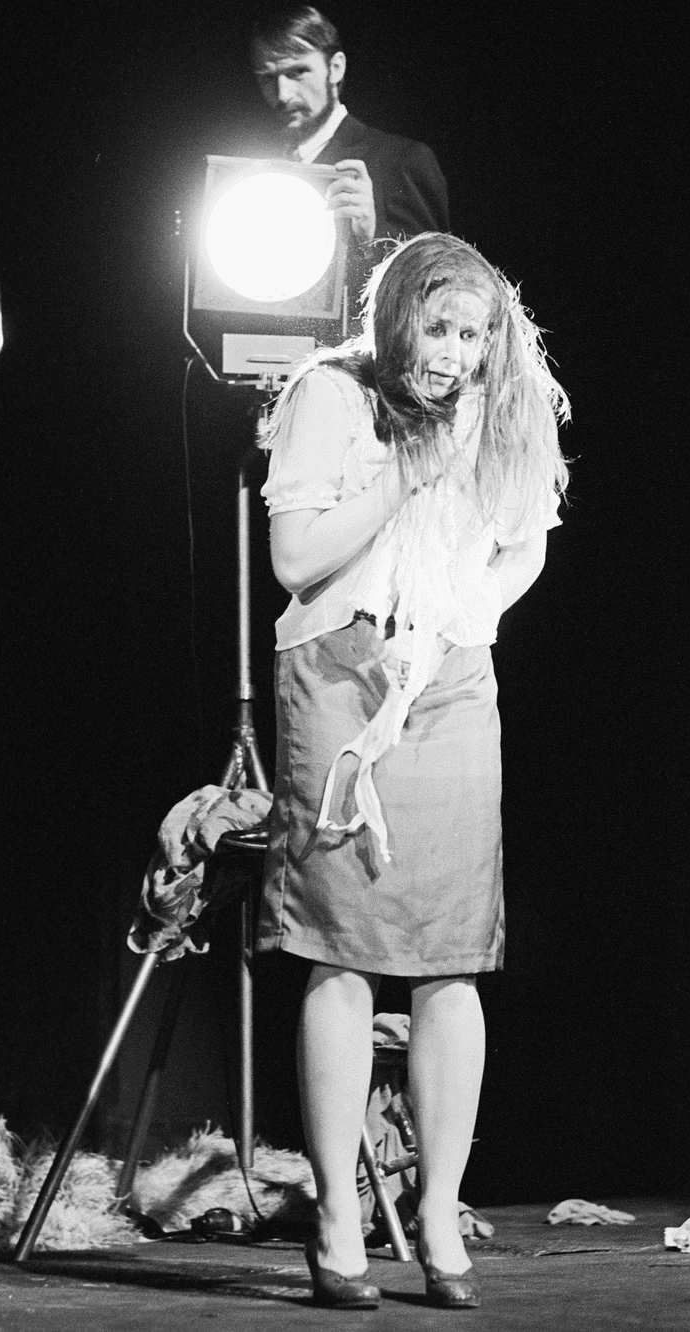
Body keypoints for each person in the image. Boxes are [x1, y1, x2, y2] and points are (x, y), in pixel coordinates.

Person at [255, 232, 571, 1310]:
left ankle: (439, 1209)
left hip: (443, 677)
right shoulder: (329, 394)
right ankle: (340, 1212)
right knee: (340, 950)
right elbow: (295, 560)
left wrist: (453, 623)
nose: (452, 354)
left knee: (449, 954)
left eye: (472, 334)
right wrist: (406, 472)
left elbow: (524, 538)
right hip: (339, 679)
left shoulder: (497, 407)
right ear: (395, 321)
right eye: (436, 329)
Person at [250, 5, 450, 306]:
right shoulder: (252, 171)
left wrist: (373, 234)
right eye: (268, 78)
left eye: (297, 72)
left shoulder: (402, 159)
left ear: (336, 68)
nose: (282, 94)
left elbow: (439, 286)